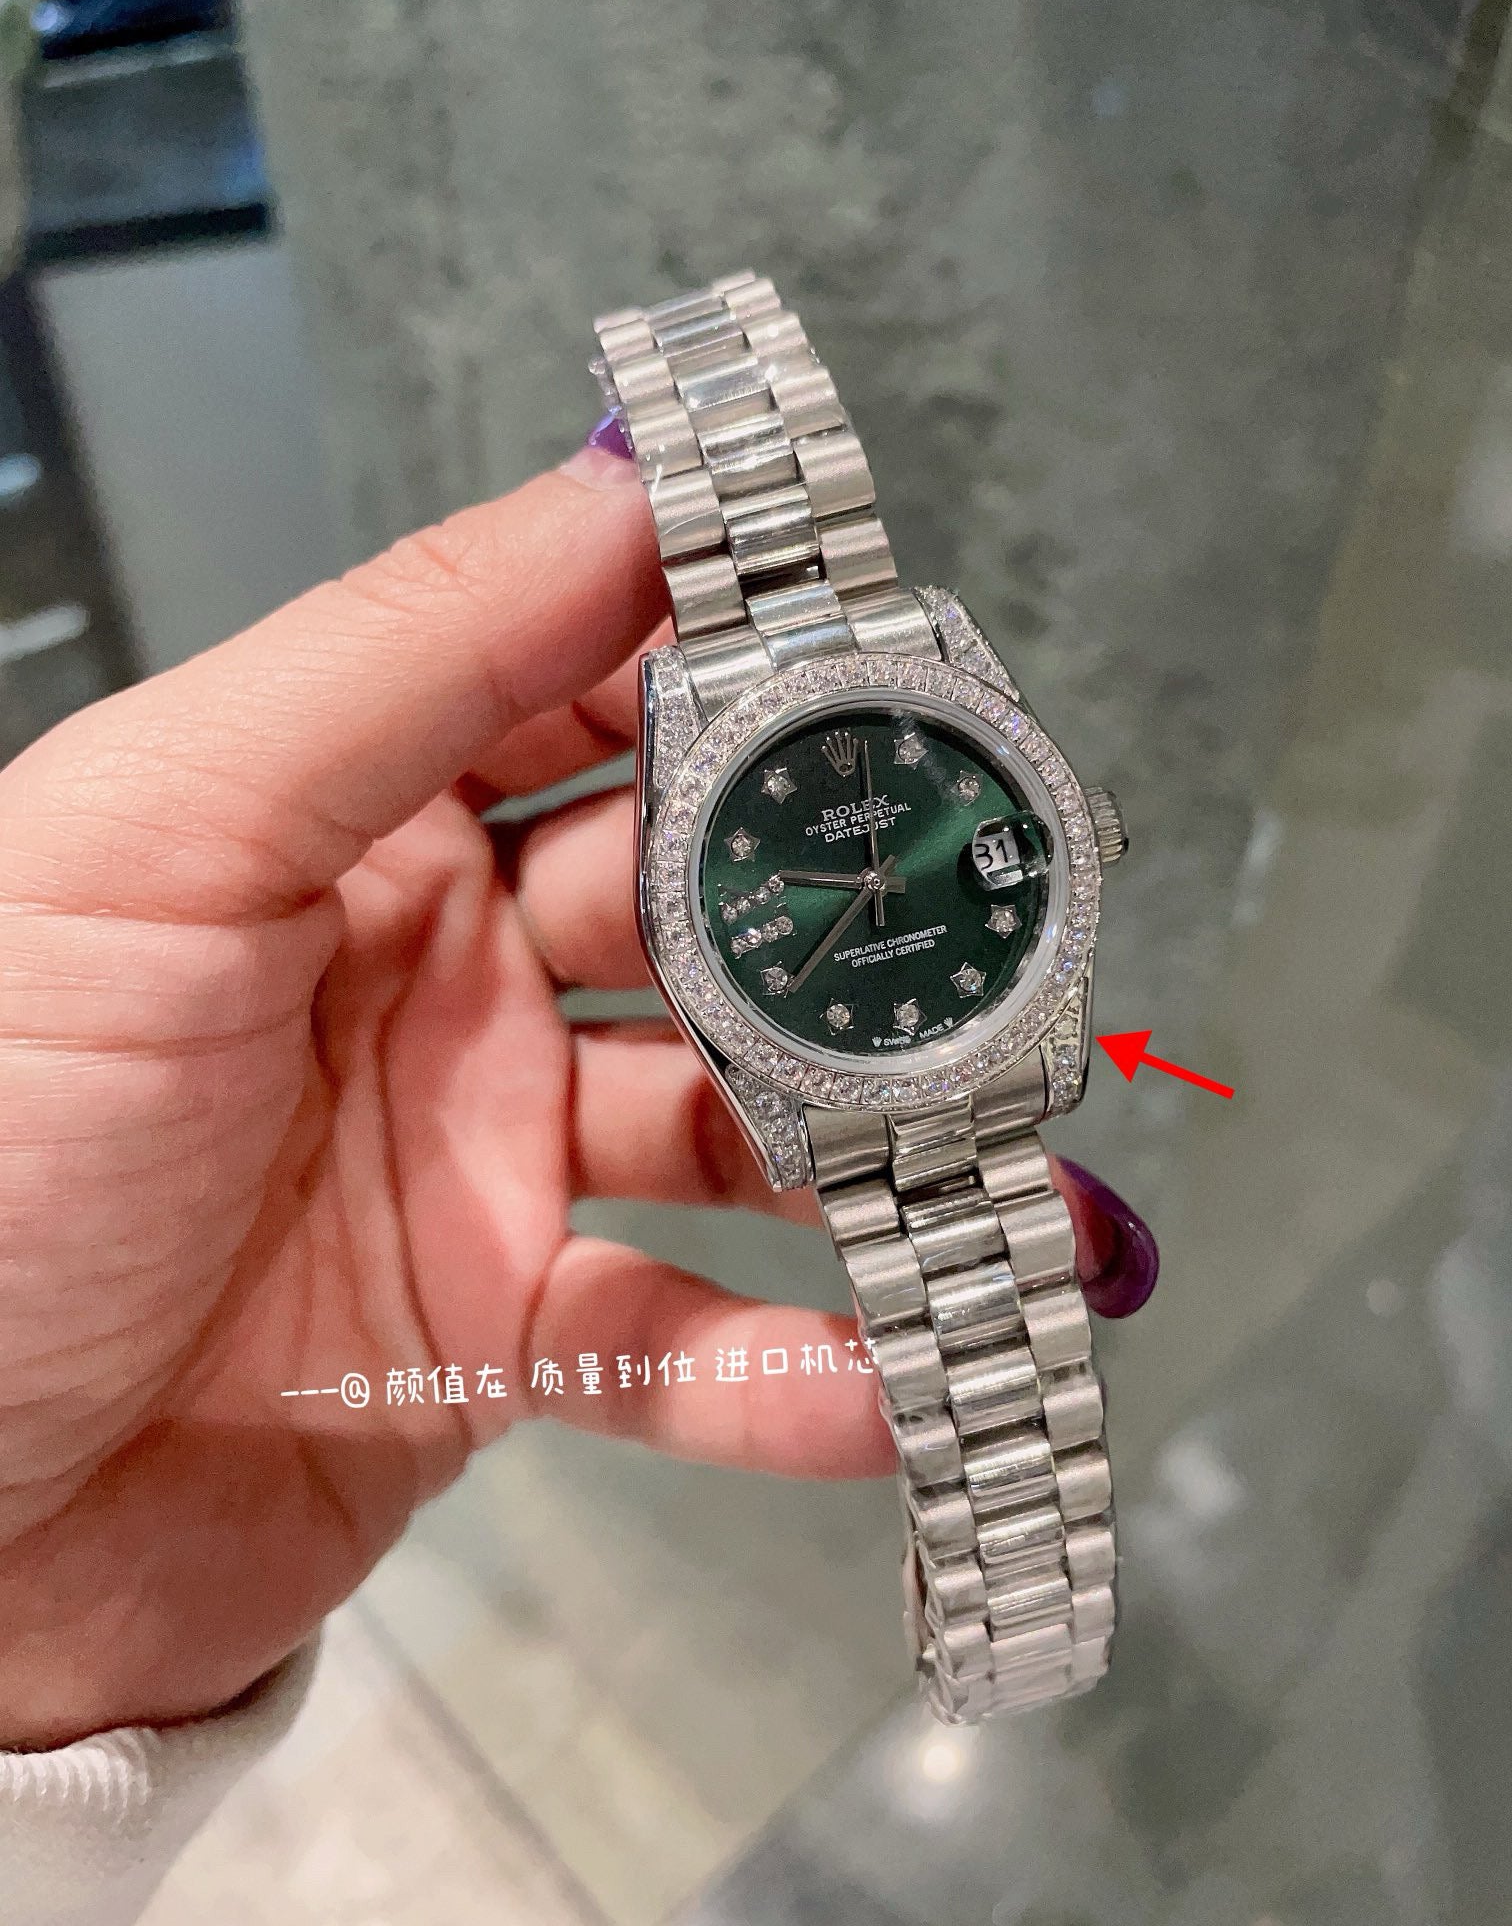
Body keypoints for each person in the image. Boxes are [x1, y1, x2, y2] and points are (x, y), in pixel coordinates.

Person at [0, 428, 1157, 1922]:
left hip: (962, 1032)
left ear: (1069, 835)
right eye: (844, 887)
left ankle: (1021, 1604)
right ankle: (1019, 1613)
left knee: (961, 1377)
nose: (880, 884)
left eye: (890, 870)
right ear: (680, 940)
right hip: (874, 1045)